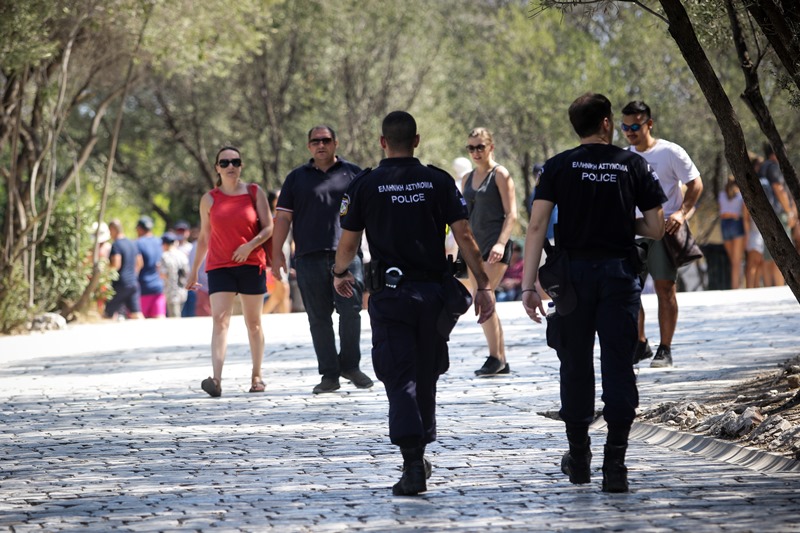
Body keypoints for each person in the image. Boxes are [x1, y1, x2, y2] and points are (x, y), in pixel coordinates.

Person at [332, 110, 495, 496]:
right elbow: (466, 236)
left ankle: (412, 463)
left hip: (391, 296)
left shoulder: (365, 184)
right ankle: (418, 453)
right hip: (432, 296)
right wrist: (484, 286)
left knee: (398, 376)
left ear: (382, 142)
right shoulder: (437, 180)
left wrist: (339, 273)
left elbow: (349, 244)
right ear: (416, 140)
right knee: (425, 373)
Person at [521, 92, 666, 493]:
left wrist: (529, 283)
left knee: (575, 364)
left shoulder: (558, 166)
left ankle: (579, 458)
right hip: (619, 276)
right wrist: (623, 226)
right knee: (619, 364)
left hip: (572, 279)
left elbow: (536, 227)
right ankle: (615, 465)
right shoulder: (632, 164)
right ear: (606, 123)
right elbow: (656, 227)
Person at [272, 125, 374, 394]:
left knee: (351, 311)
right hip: (308, 257)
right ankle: (329, 375)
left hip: (348, 257)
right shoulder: (296, 178)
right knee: (318, 318)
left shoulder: (354, 174)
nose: (321, 145)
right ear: (308, 146)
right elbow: (283, 218)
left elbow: (371, 216)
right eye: (315, 141)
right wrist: (275, 254)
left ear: (335, 143)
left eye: (326, 140)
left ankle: (350, 366)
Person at [621, 100, 703, 368]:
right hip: (631, 230)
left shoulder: (670, 152)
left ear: (649, 124)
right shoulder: (623, 157)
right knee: (628, 290)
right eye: (625, 127)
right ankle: (640, 343)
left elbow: (695, 184)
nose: (630, 131)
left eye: (636, 125)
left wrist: (681, 213)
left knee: (664, 288)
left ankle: (665, 349)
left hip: (663, 229)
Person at [186, 146, 273, 397]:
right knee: (220, 320)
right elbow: (204, 237)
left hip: (250, 264)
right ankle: (216, 380)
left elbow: (268, 228)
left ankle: (257, 376)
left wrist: (249, 246)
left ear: (241, 165)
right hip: (220, 266)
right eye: (224, 163)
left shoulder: (254, 192)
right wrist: (193, 272)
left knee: (253, 322)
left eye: (235, 161)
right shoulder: (209, 199)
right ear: (217, 168)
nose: (230, 166)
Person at [461, 127, 518, 377]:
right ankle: (500, 358)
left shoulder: (500, 174)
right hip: (473, 248)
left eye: (480, 146)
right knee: (484, 298)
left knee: (484, 298)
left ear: (490, 147)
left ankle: (495, 357)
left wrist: (500, 243)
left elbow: (512, 213)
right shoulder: (466, 178)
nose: (476, 152)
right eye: (471, 147)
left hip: (495, 247)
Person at [758, 143, 798, 286]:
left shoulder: (762, 167)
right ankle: (780, 286)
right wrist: (790, 211)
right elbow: (778, 188)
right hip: (779, 214)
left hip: (765, 214)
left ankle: (769, 287)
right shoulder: (774, 167)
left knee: (769, 253)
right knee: (783, 251)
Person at [104, 219, 144, 320]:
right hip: (133, 283)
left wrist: (105, 274)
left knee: (108, 313)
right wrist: (133, 276)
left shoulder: (116, 244)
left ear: (113, 229)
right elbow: (140, 263)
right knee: (136, 314)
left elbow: (116, 264)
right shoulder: (132, 243)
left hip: (120, 284)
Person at [135, 215, 166, 319]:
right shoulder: (160, 242)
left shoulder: (138, 243)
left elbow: (138, 264)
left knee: (140, 324)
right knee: (159, 321)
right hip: (158, 286)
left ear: (139, 229)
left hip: (143, 287)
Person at [718, 176, 746, 290]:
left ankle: (736, 285)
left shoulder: (721, 195)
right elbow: (743, 214)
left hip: (724, 224)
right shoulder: (740, 196)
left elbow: (721, 211)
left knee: (732, 260)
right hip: (736, 223)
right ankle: (736, 287)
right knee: (737, 261)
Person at [160, 231, 189, 318]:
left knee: (174, 318)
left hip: (171, 291)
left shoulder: (165, 256)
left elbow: (163, 274)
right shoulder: (182, 255)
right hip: (182, 290)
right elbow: (187, 272)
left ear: (164, 244)